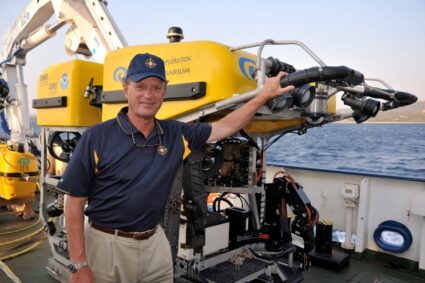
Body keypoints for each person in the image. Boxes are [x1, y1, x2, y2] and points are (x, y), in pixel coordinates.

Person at [60, 53, 294, 283]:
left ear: (165, 92)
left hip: (154, 242)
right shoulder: (97, 137)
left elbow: (223, 127)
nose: (148, 95)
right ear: (126, 89)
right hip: (107, 246)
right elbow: (74, 202)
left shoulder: (175, 133)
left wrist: (263, 96)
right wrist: (79, 264)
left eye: (156, 87)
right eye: (140, 86)